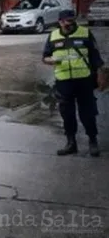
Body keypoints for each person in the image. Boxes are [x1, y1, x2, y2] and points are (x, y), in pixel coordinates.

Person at [42, 9, 104, 157]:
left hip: (84, 80)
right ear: (60, 22)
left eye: (73, 20)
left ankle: (93, 141)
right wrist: (49, 60)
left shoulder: (85, 33)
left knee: (88, 113)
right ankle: (71, 143)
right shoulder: (53, 36)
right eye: (68, 21)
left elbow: (96, 57)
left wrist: (100, 76)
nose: (71, 23)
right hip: (64, 82)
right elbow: (45, 56)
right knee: (67, 114)